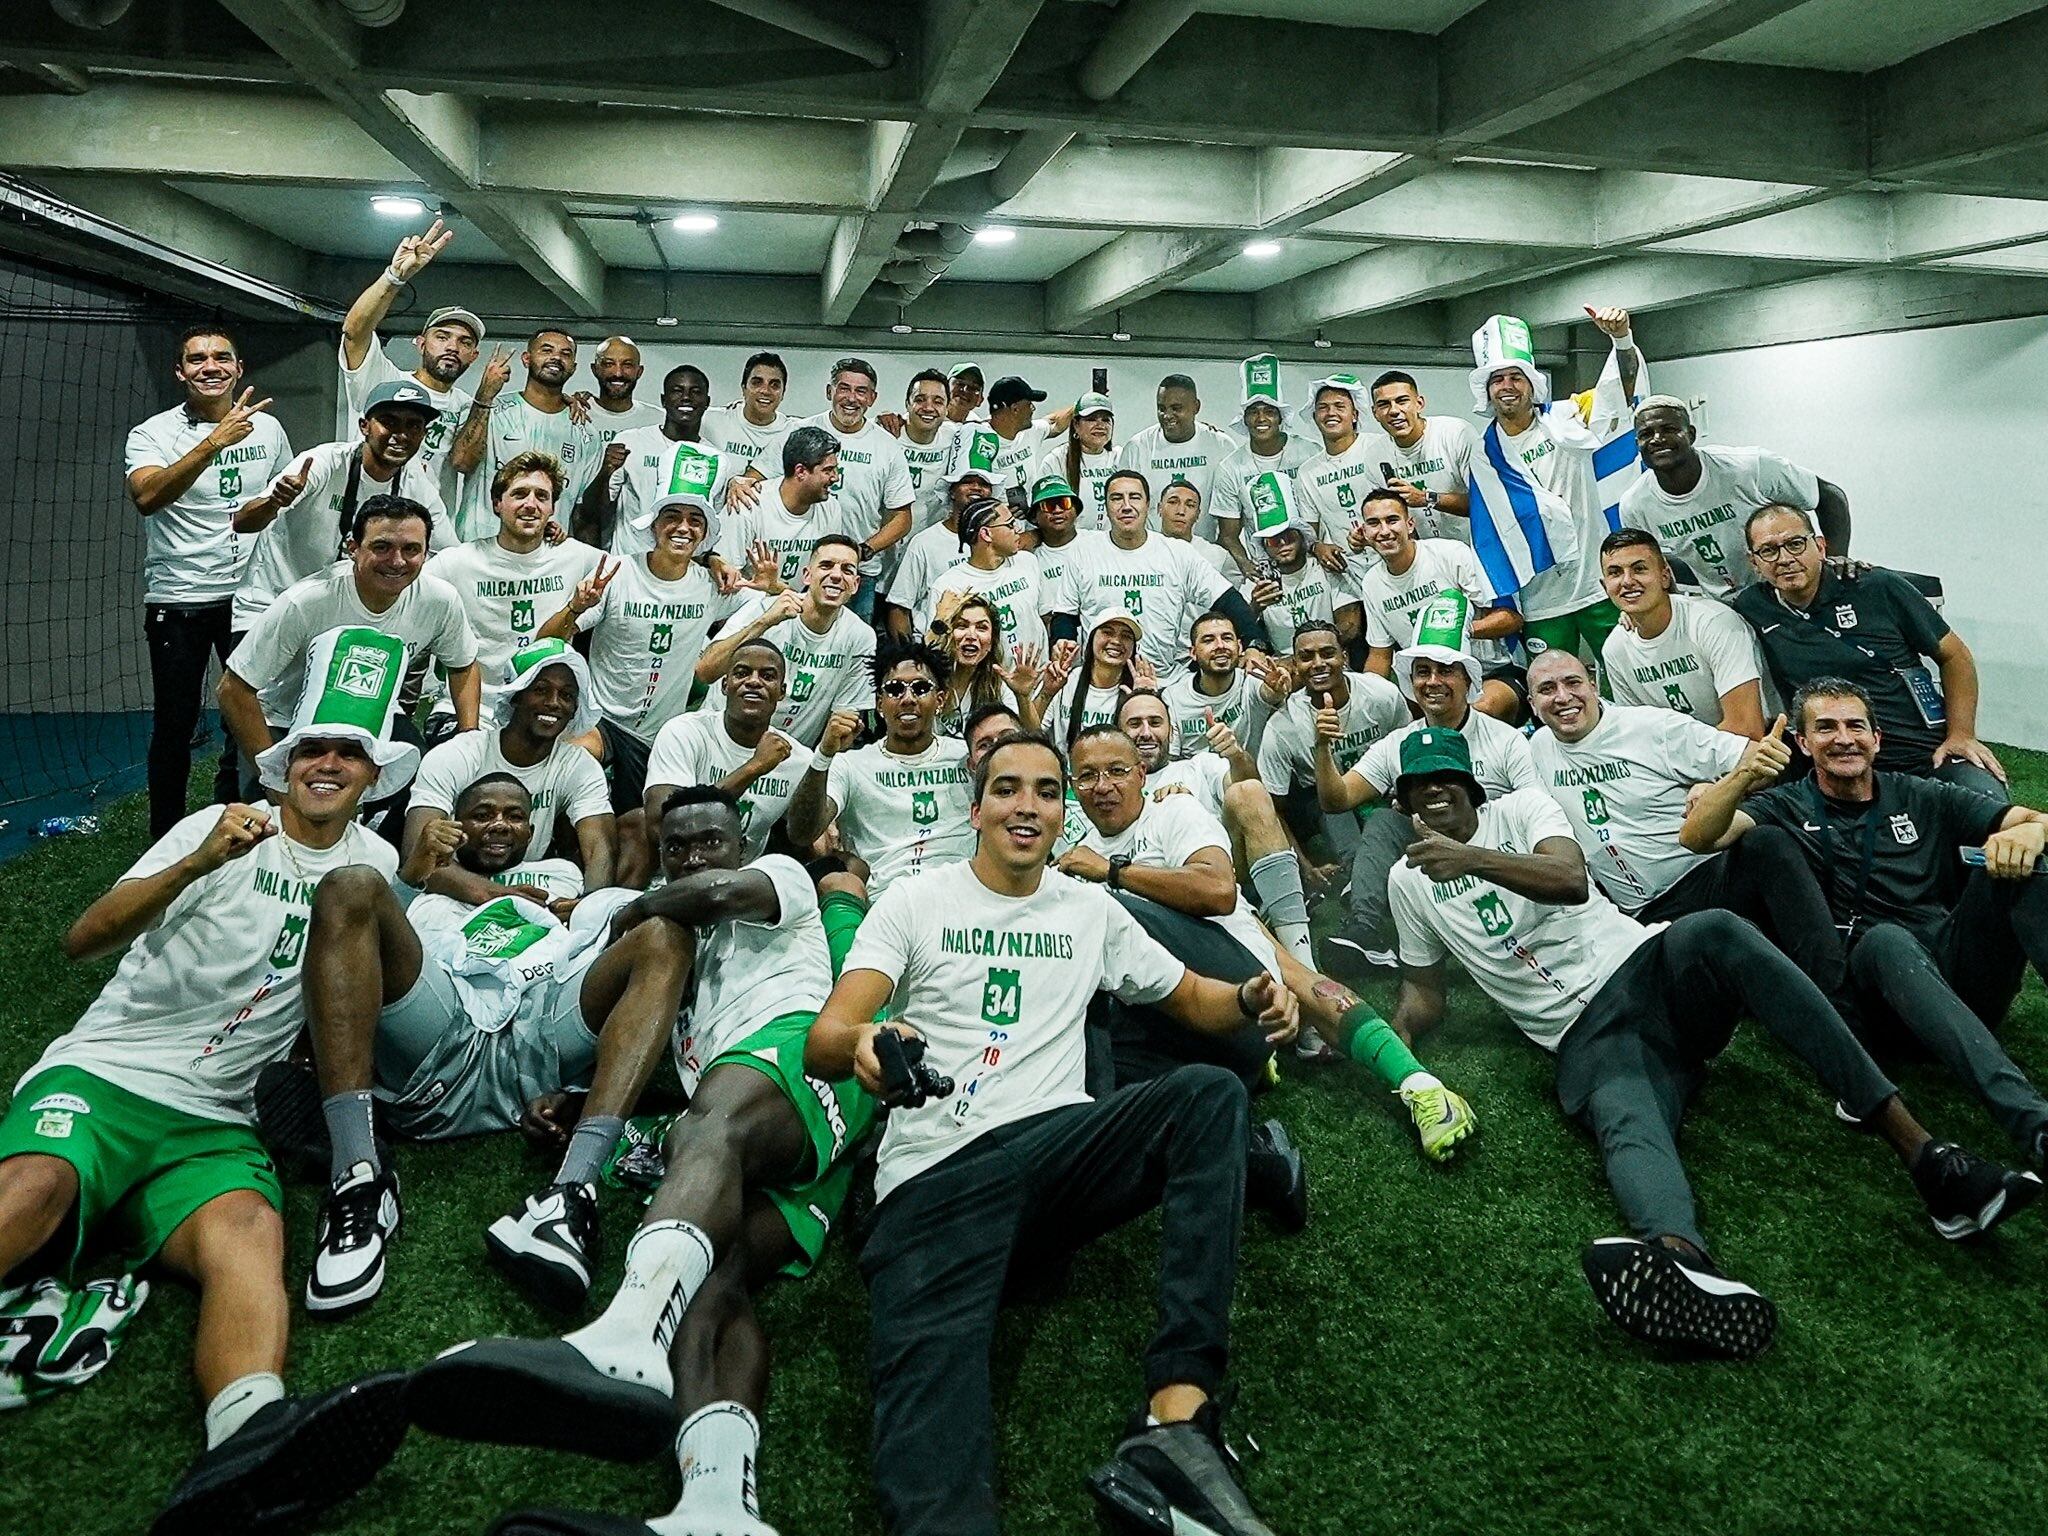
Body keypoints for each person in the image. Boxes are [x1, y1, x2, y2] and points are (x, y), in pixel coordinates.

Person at [1382, 726, 2038, 1360]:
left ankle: (1928, 1160)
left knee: (1718, 929)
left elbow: (1569, 880)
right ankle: (1682, 1265)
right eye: (1418, 786)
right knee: (1626, 1118)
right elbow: (1425, 990)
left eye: (1446, 778)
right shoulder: (1406, 883)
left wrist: (1468, 858)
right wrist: (1399, 1039)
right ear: (1403, 801)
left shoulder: (1522, 809)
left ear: (1470, 784)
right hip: (1583, 1037)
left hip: (1649, 967)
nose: (1434, 792)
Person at [804, 730, 1297, 1536]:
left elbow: (1194, 999)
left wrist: (1251, 995)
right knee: (932, 1488)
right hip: (935, 1181)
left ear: (1061, 812)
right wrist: (865, 1044)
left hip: (1057, 1157)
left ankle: (1176, 1422)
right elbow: (829, 1036)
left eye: (1043, 790)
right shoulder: (916, 900)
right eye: (1006, 789)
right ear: (976, 809)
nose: (1025, 805)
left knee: (1205, 1096)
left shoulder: (1089, 909)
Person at [0, 634, 437, 1533]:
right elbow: (82, 939)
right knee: (37, 1184)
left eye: (348, 751)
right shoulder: (219, 823)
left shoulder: (377, 869)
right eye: (312, 748)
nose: (328, 762)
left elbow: (383, 989)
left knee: (252, 1230)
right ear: (284, 764)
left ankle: (248, 1442)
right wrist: (200, 860)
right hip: (110, 1074)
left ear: (372, 773)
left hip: (217, 1118)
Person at [391, 785, 878, 1536]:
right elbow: (659, 1064)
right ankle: (717, 1505)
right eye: (675, 846)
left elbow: (715, 891)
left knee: (707, 1129)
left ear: (740, 842)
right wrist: (584, 1101)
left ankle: (624, 1335)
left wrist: (640, 906)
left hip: (800, 1059)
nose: (692, 857)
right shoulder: (687, 963)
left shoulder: (776, 880)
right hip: (782, 1135)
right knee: (713, 1279)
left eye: (708, 840)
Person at [299, 773, 686, 1315]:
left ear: (533, 826)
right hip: (441, 1031)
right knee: (350, 885)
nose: (499, 824)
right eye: (482, 813)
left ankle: (571, 1190)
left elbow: (598, 943)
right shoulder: (422, 877)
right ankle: (358, 1175)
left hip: (541, 1034)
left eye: (513, 815)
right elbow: (380, 935)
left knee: (665, 935)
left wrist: (576, 1088)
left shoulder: (561, 874)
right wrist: (428, 877)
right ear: (458, 825)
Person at [1682, 677, 2048, 1169]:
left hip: (1955, 971)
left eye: (1856, 726)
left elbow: (2035, 817)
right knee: (1888, 941)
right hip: (1880, 997)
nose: (1843, 738)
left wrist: (2029, 831)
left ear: (1878, 739)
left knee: (2027, 867)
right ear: (1803, 743)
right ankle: (2035, 1125)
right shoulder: (1785, 806)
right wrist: (1742, 778)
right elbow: (1698, 837)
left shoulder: (1920, 794)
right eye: (1826, 727)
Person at [1525, 650, 1845, 991]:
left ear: (1593, 684)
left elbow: (1752, 760)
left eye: (1573, 683)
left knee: (1766, 843)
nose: (1563, 697)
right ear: (1531, 704)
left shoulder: (1652, 727)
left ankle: (1837, 989)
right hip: (1641, 918)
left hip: (1707, 879)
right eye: (1547, 689)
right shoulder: (1538, 748)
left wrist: (1712, 784)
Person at [126, 326, 294, 836]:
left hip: (250, 598)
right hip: (181, 598)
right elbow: (147, 497)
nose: (211, 367)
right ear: (181, 373)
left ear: (239, 369)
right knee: (175, 726)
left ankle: (239, 820)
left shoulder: (268, 430)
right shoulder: (151, 434)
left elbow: (281, 504)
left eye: (222, 358)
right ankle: (166, 838)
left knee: (247, 717)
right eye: (197, 360)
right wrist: (212, 444)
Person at [1733, 505, 2006, 800]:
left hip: (1922, 752)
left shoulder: (1876, 586)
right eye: (1769, 551)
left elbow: (1955, 656)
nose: (1785, 559)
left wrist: (1961, 735)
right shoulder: (1752, 608)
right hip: (1834, 762)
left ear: (1820, 546)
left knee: (1993, 812)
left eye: (1795, 544)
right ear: (1754, 562)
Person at [218, 497, 480, 788]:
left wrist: (468, 736)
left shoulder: (440, 600)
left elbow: (463, 666)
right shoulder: (306, 601)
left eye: (411, 549)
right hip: (287, 723)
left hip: (373, 718)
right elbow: (233, 688)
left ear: (426, 553)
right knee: (275, 820)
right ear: (353, 549)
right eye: (382, 547)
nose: (397, 561)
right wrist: (272, 776)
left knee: (417, 786)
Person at [1316, 644, 1537, 983]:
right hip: (1431, 860)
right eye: (1423, 672)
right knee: (1385, 821)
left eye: (1445, 671)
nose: (1433, 682)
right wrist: (1323, 748)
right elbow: (1338, 799)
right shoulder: (1398, 743)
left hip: (1495, 858)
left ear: (1468, 681)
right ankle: (1364, 930)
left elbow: (1534, 809)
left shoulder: (1505, 741)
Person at [569, 489, 737, 883]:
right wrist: (575, 608)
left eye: (695, 520)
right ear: (654, 525)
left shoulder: (710, 584)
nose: (682, 527)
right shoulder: (616, 572)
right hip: (604, 721)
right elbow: (553, 638)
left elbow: (781, 600)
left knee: (640, 833)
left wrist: (761, 581)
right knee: (575, 758)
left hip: (661, 740)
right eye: (672, 517)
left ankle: (611, 908)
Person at [1463, 308, 1641, 664]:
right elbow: (1489, 531)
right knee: (1552, 691)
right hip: (1541, 598)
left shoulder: (1568, 418)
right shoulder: (1483, 454)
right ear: (1487, 391)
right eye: (1497, 379)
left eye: (1516, 377)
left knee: (1628, 674)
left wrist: (1621, 339)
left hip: (1595, 584)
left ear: (1532, 384)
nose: (1507, 386)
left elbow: (1619, 391)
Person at [1115, 690, 1315, 970]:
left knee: (1249, 791)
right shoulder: (1109, 788)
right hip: (1155, 888)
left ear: (1172, 732)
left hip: (1223, 874)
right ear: (1118, 734)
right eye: (1134, 724)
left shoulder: (1198, 766)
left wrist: (1236, 756)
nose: (1146, 732)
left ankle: (1301, 956)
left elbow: (1254, 793)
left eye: (1155, 722)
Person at [232, 380, 446, 635]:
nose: (401, 434)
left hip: (339, 619)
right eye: (389, 422)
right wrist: (274, 502)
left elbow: (446, 555)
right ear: (364, 427)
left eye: (413, 425)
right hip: (272, 606)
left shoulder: (417, 484)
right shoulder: (323, 463)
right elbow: (242, 523)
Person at [406, 639, 616, 888]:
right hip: (454, 887)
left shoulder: (578, 765)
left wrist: (588, 910)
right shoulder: (457, 755)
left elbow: (600, 850)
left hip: (531, 882)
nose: (554, 702)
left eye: (567, 695)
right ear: (515, 696)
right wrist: (501, 896)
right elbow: (415, 854)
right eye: (540, 690)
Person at [788, 639, 977, 898]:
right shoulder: (851, 765)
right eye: (895, 689)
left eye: (921, 688)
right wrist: (824, 754)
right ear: (879, 704)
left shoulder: (967, 758)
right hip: (881, 904)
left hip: (960, 900)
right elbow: (801, 833)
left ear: (940, 700)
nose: (908, 698)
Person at [425, 451, 607, 717]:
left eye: (541, 496)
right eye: (520, 494)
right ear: (497, 503)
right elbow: (404, 591)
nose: (531, 504)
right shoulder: (458, 562)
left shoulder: (575, 555)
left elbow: (634, 574)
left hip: (540, 712)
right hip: (470, 709)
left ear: (552, 509)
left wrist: (582, 614)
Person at [1622, 396, 1849, 596]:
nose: (1657, 439)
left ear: (1691, 434)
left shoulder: (1749, 467)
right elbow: (1651, 563)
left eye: (1669, 429)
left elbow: (1830, 497)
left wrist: (1836, 560)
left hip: (1785, 592)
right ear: (1637, 444)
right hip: (1725, 607)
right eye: (1646, 434)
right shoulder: (1635, 505)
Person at [740, 358, 911, 611]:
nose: (851, 398)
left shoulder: (888, 447)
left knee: (849, 644)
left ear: (872, 398)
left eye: (861, 391)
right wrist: (738, 483)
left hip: (858, 574)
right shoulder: (799, 432)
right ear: (829, 391)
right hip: (798, 569)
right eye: (844, 388)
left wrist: (864, 549)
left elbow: (902, 517)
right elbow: (755, 479)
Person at [1049, 469, 1260, 668]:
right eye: (1116, 498)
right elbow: (1065, 615)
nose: (1126, 506)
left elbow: (1228, 600)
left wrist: (1255, 643)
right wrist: (1061, 642)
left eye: (1134, 497)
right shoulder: (1083, 553)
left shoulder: (1178, 553)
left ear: (1148, 505)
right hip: (1102, 677)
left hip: (1163, 678)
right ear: (1105, 506)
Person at [336, 218, 478, 504]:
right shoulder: (385, 381)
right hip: (366, 514)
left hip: (426, 529)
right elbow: (354, 332)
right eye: (442, 336)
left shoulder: (466, 406)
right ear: (421, 343)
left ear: (473, 357)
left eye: (465, 342)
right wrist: (394, 277)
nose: (453, 347)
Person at [1351, 487, 1524, 719]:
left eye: (1392, 520)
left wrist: (1461, 630)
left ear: (1410, 524)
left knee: (1474, 713)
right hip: (1428, 686)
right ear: (1364, 531)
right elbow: (1380, 655)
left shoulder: (1451, 554)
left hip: (1490, 673)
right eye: (1374, 523)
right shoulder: (1372, 582)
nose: (1384, 531)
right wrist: (1364, 699)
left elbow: (1512, 619)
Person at [643, 639, 815, 867]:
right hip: (679, 875)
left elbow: (804, 836)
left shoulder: (798, 759)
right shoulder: (685, 732)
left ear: (781, 692)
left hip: (744, 881)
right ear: (725, 685)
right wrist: (754, 768)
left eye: (767, 676)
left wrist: (824, 757)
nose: (754, 681)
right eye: (742, 673)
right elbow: (660, 826)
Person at [695, 536, 877, 750]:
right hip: (717, 742)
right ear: (807, 576)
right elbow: (705, 671)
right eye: (826, 566)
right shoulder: (765, 608)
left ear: (856, 585)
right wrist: (765, 622)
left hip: (786, 761)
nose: (836, 575)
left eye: (847, 569)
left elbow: (844, 716)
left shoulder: (860, 637)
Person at [1255, 622, 1408, 857]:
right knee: (1344, 833)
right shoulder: (1282, 726)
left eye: (1327, 654)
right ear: (1295, 665)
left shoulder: (1381, 694)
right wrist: (1305, 869)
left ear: (1344, 657)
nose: (1318, 664)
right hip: (1325, 803)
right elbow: (1273, 808)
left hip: (1384, 788)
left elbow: (1407, 750)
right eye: (1306, 657)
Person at [1598, 530, 1766, 735]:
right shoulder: (1615, 649)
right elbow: (1639, 738)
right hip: (1679, 762)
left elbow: (1747, 729)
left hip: (1755, 753)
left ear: (1665, 576)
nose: (1627, 581)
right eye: (1615, 572)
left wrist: (1682, 760)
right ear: (1604, 586)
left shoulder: (1713, 622)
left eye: (1639, 569)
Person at [451, 328, 599, 541]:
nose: (556, 357)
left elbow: (579, 511)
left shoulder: (586, 433)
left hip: (545, 559)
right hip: (480, 548)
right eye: (546, 350)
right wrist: (485, 395)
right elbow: (461, 462)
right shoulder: (490, 409)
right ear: (526, 359)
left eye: (565, 354)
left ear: (574, 368)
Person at [575, 363, 733, 556]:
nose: (686, 397)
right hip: (629, 565)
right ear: (663, 400)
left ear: (707, 401)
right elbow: (591, 511)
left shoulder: (714, 458)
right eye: (677, 391)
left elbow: (710, 527)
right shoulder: (631, 441)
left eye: (695, 392)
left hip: (680, 571)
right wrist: (605, 472)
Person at [881, 426, 1001, 638]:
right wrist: (914, 659)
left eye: (983, 483)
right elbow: (898, 608)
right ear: (952, 491)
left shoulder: (999, 541)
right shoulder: (925, 544)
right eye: (967, 482)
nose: (976, 488)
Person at [711, 425, 853, 593]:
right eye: (828, 470)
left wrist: (780, 591)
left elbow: (826, 575)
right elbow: (727, 582)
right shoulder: (748, 504)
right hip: (747, 607)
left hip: (798, 605)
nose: (835, 477)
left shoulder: (830, 508)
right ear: (800, 471)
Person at [1208, 355, 1313, 576]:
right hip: (1265, 568)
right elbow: (1228, 534)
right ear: (1244, 419)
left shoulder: (1309, 453)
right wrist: (1246, 564)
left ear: (1281, 418)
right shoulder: (1230, 468)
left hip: (1311, 562)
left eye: (1269, 411)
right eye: (1254, 412)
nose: (1261, 418)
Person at [1240, 474, 1364, 655]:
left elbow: (1351, 625)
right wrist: (1254, 608)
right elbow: (1235, 633)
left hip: (1327, 657)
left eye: (1288, 535)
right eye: (1274, 540)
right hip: (1281, 666)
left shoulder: (1325, 567)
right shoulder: (1256, 583)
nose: (1282, 543)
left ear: (1301, 535)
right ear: (1264, 545)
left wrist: (1313, 654)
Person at [925, 494, 1051, 661]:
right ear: (986, 534)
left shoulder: (1028, 561)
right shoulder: (949, 586)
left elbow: (1044, 617)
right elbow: (934, 650)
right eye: (1010, 525)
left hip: (1036, 680)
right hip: (987, 684)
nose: (1018, 530)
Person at [1364, 370, 1479, 545]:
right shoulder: (1375, 456)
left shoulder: (1456, 433)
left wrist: (1427, 498)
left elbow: (1485, 503)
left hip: (1478, 548)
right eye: (1384, 404)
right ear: (1375, 413)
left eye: (1402, 401)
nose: (1394, 410)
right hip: (1428, 558)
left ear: (1419, 403)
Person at [1117, 372, 1234, 541]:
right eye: (1161, 408)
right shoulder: (1138, 447)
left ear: (1196, 407)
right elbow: (1124, 505)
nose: (1167, 415)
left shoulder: (1221, 446)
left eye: (1176, 408)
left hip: (1203, 550)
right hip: (1152, 552)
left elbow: (1233, 509)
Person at [1160, 610, 1284, 762]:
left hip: (1247, 779)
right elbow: (1171, 761)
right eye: (1208, 640)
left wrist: (1277, 691)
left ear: (1239, 647)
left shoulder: (1252, 679)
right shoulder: (1173, 697)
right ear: (1193, 653)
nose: (1220, 646)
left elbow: (1268, 694)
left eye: (1227, 638)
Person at [1292, 374, 1376, 570]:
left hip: (1390, 558)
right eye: (1323, 408)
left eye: (1340, 406)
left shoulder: (1377, 447)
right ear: (1314, 417)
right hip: (1345, 567)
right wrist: (1317, 546)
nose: (1331, 413)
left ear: (1354, 415)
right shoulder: (1308, 472)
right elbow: (1310, 531)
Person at [1040, 609, 1152, 753]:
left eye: (1126, 636)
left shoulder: (1136, 689)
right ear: (1091, 639)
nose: (1116, 641)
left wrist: (1144, 700)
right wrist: (1046, 693)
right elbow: (1031, 731)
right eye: (1107, 632)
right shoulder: (1066, 679)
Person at [936, 594, 1041, 738]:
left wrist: (1022, 697)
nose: (971, 635)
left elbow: (1033, 738)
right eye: (962, 626)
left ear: (991, 642)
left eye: (981, 628)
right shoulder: (930, 679)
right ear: (949, 634)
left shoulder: (998, 687)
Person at [894, 366, 960, 534]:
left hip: (929, 543)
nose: (928, 407)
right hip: (884, 543)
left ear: (947, 408)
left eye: (938, 401)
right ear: (907, 403)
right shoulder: (887, 434)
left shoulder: (954, 436)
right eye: (920, 399)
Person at [699, 352, 789, 473]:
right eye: (757, 383)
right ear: (744, 388)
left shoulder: (792, 432)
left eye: (775, 385)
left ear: (783, 393)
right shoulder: (709, 420)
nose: (765, 391)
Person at [984, 374, 1073, 496]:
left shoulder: (1030, 431)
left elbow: (1055, 423)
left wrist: (1084, 403)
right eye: (1029, 404)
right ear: (1015, 409)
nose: (1033, 409)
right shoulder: (981, 439)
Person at [1040, 390, 1116, 527]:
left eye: (1106, 420)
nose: (1100, 425)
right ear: (1076, 425)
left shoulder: (1119, 457)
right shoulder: (1057, 460)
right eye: (1091, 419)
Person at [1156, 476, 1239, 580]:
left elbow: (1237, 592)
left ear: (1198, 515)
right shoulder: (1143, 550)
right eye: (1173, 502)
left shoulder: (1218, 557)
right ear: (1159, 508)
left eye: (1190, 505)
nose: (1181, 511)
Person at [583, 337, 662, 444]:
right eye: (609, 364)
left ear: (639, 372)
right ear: (595, 369)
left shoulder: (659, 419)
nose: (618, 373)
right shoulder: (578, 414)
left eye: (627, 365)